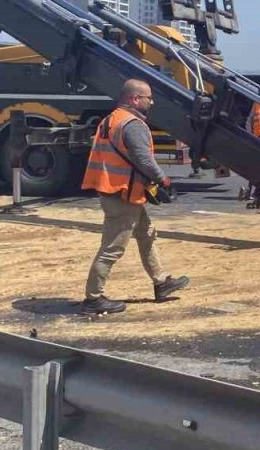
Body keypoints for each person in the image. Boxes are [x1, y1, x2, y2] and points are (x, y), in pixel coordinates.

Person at [81, 79, 189, 315]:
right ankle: (93, 299)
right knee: (112, 248)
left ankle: (161, 282)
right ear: (134, 99)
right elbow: (144, 160)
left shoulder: (110, 119)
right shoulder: (133, 124)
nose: (152, 102)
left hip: (115, 190)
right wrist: (163, 178)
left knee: (146, 233)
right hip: (123, 193)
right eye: (148, 98)